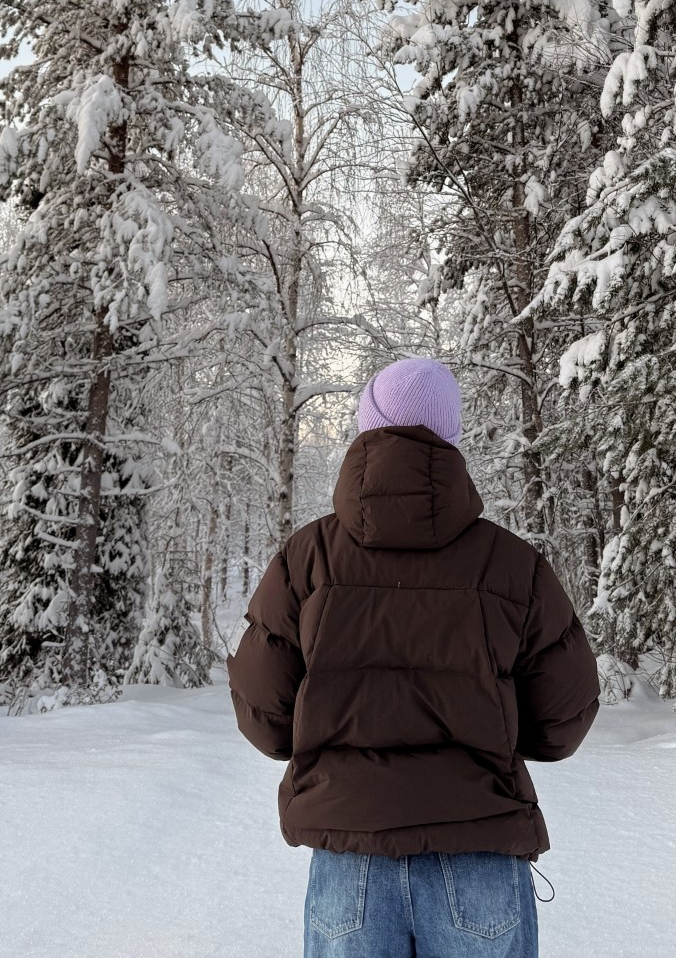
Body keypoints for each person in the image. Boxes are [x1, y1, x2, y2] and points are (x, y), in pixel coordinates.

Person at [226, 357, 600, 957]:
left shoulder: (307, 559)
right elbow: (562, 719)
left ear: (365, 430)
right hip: (478, 847)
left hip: (352, 861)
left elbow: (265, 716)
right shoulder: (512, 565)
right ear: (449, 436)